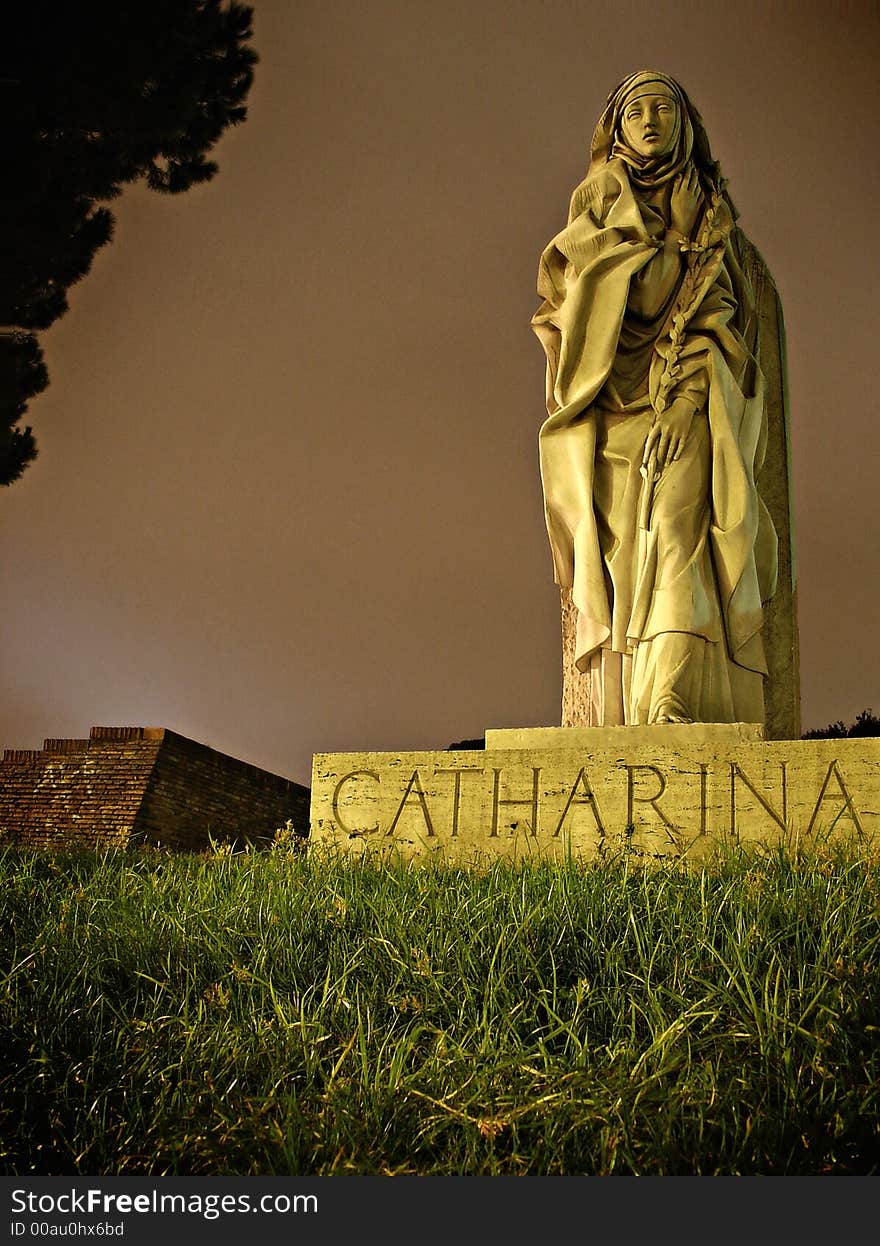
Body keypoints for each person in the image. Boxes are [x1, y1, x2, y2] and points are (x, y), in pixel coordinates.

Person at [532, 69, 778, 726]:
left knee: (677, 534)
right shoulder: (595, 205)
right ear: (616, 127)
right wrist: (646, 245)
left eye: (663, 108)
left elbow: (723, 314)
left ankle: (666, 698)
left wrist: (686, 398)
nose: (649, 119)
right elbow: (570, 299)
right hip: (610, 408)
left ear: (683, 123)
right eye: (635, 109)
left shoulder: (708, 211)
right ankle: (621, 702)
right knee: (619, 564)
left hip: (687, 402)